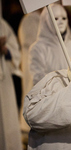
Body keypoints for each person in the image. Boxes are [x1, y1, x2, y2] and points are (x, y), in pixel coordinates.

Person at [29, 3, 71, 86]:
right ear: (46, 20)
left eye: (64, 18)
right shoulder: (38, 48)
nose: (61, 22)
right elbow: (38, 79)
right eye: (56, 18)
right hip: (52, 96)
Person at [18, 8, 43, 149]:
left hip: (42, 61)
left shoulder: (47, 16)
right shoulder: (29, 19)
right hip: (31, 64)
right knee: (31, 91)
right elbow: (30, 41)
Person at [0, 18, 22, 150]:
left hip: (4, 81)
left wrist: (5, 50)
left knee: (7, 118)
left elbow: (14, 49)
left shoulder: (2, 24)